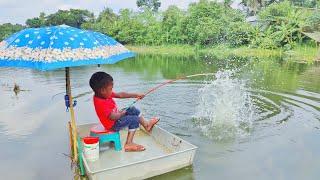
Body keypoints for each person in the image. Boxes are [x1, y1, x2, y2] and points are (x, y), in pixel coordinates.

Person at [89, 71, 159, 152]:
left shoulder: (104, 94)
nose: (112, 91)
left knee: (132, 109)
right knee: (134, 119)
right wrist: (123, 113)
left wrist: (136, 95)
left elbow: (120, 95)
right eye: (110, 89)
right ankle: (128, 144)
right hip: (113, 124)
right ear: (102, 90)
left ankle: (147, 125)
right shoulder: (100, 102)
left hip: (116, 117)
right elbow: (112, 117)